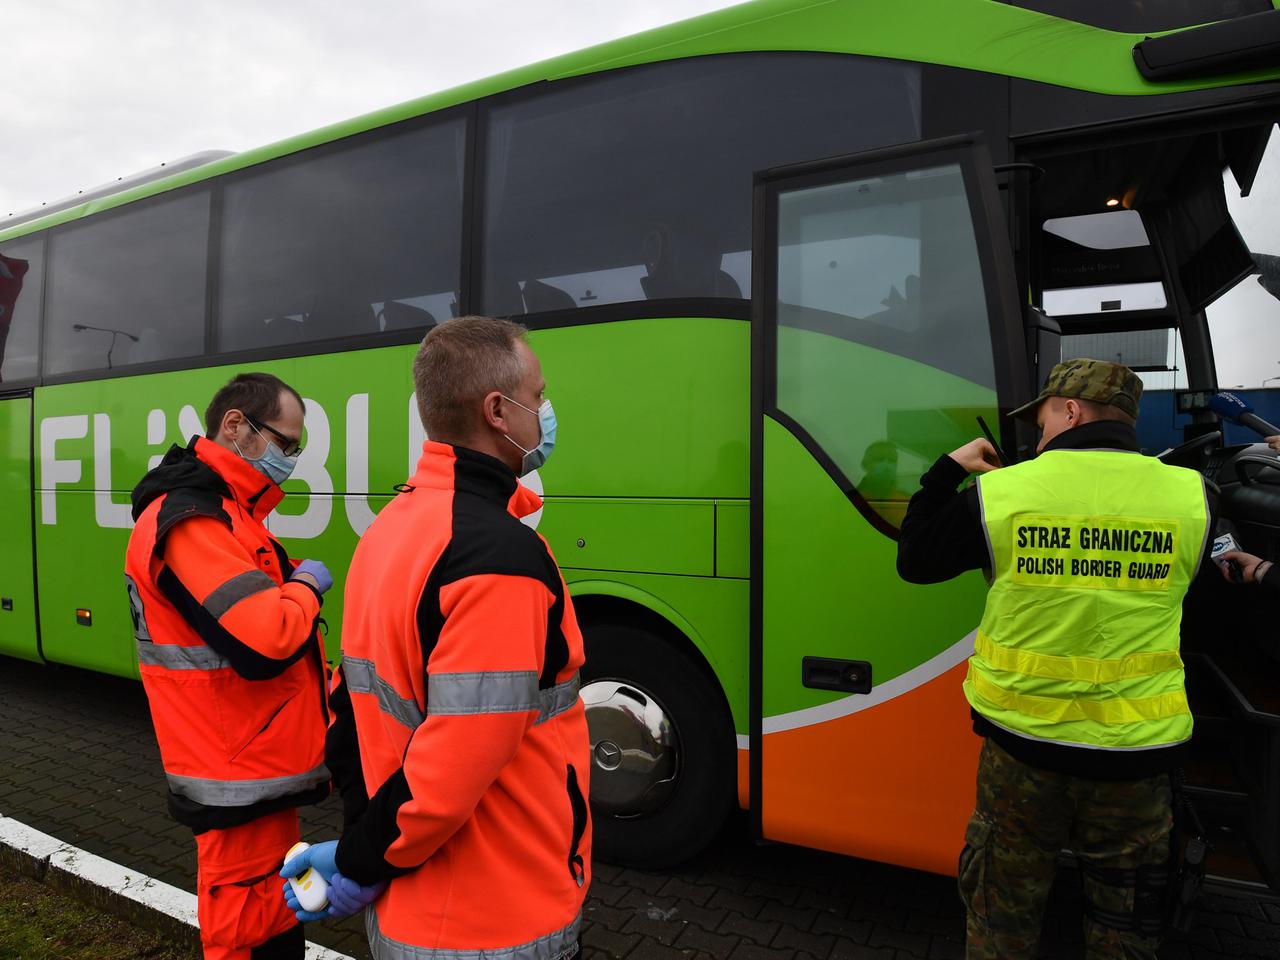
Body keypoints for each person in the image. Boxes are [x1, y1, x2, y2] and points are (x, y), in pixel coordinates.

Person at [283, 316, 591, 960]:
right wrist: (362, 860)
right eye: (538, 396)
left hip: (411, 912)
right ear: (497, 411)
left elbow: (350, 711)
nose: (545, 410)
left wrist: (360, 847)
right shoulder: (498, 554)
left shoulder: (391, 529)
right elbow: (454, 765)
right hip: (498, 916)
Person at [897, 358, 1216, 960]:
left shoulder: (1001, 493)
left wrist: (946, 473)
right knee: (1126, 933)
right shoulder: (1194, 496)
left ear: (1070, 411)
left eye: (1041, 421)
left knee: (1002, 922)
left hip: (1023, 755)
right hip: (1137, 765)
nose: (1037, 437)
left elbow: (913, 559)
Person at [124, 373, 332, 960]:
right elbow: (265, 642)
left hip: (255, 764)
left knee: (272, 920)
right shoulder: (193, 519)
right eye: (285, 444)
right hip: (235, 770)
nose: (291, 460)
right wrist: (307, 587)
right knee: (245, 935)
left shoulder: (229, 514)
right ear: (236, 426)